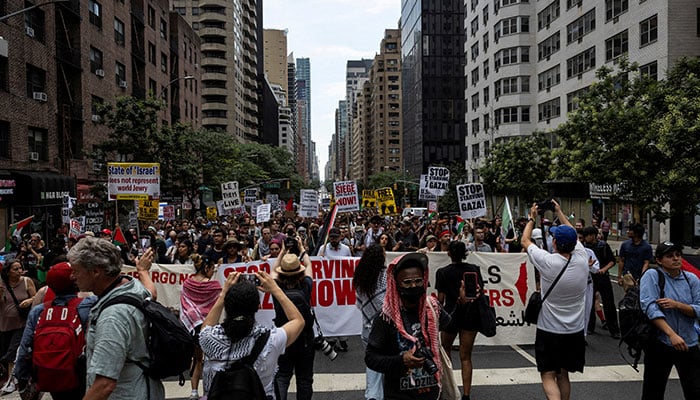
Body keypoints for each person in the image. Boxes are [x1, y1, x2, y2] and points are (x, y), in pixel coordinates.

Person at [68, 237, 165, 399]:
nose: (72, 276)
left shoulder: (113, 318)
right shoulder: (131, 285)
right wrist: (143, 272)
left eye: (76, 271)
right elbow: (151, 293)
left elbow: (105, 384)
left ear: (96, 272)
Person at [198, 270, 305, 399]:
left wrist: (223, 294)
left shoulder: (209, 339)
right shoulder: (270, 340)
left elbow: (205, 327)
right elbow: (298, 321)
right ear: (257, 307)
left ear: (227, 306)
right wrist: (275, 289)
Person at [521, 200, 589, 400]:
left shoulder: (548, 262)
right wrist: (559, 211)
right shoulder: (582, 258)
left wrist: (532, 218)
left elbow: (525, 241)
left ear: (555, 243)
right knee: (563, 373)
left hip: (550, 330)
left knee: (548, 374)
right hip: (574, 329)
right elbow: (572, 233)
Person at [365, 252, 447, 400]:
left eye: (418, 281)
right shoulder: (386, 318)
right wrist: (401, 361)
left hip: (433, 394)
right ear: (397, 284)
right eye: (407, 282)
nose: (413, 286)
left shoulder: (432, 309)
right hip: (399, 395)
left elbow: (451, 325)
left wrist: (464, 304)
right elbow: (371, 358)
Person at [14, 262, 98, 399]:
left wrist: (22, 376)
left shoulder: (38, 311)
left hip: (49, 373)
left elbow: (25, 347)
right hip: (80, 374)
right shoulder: (88, 305)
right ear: (75, 282)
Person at [640, 241, 700, 399]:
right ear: (659, 260)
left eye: (678, 255)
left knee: (695, 389)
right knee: (653, 391)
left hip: (689, 342)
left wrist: (678, 305)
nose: (675, 259)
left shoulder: (691, 279)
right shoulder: (652, 276)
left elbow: (699, 308)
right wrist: (671, 334)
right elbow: (649, 307)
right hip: (661, 343)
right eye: (669, 256)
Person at [435, 240, 485, 400]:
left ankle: (448, 387)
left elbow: (440, 299)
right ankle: (466, 394)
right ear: (465, 253)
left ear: (449, 253)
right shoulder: (474, 270)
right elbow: (480, 291)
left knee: (445, 352)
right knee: (466, 356)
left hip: (450, 314)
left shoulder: (442, 272)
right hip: (470, 314)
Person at [273, 254, 315, 400]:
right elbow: (309, 266)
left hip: (283, 337)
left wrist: (281, 252)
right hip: (305, 339)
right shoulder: (306, 286)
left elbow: (273, 270)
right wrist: (303, 249)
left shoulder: (276, 288)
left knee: (282, 376)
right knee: (304, 379)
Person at [180, 254, 221, 400]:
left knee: (197, 359)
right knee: (211, 359)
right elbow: (220, 300)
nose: (213, 272)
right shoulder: (214, 286)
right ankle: (209, 390)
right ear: (206, 267)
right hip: (208, 326)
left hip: (192, 326)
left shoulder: (187, 283)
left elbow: (184, 304)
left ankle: (194, 391)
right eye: (212, 269)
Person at [353, 245, 387, 400]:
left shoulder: (361, 276)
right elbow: (386, 303)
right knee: (388, 362)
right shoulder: (387, 276)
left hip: (367, 328)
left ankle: (373, 395)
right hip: (385, 328)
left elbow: (361, 303)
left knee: (372, 364)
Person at [0, 258, 36, 395]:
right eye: (15, 269)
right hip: (4, 324)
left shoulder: (27, 281)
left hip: (21, 323)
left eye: (20, 268)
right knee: (6, 353)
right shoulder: (2, 284)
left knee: (12, 352)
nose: (19, 271)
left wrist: (28, 300)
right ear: (8, 272)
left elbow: (36, 297)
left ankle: (11, 381)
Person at [581, 226, 620, 339]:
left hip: (602, 277)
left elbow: (612, 261)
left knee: (609, 303)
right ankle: (589, 326)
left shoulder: (603, 246)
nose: (585, 238)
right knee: (589, 302)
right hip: (590, 277)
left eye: (587, 236)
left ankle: (614, 329)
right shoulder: (584, 247)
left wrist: (604, 269)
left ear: (593, 235)